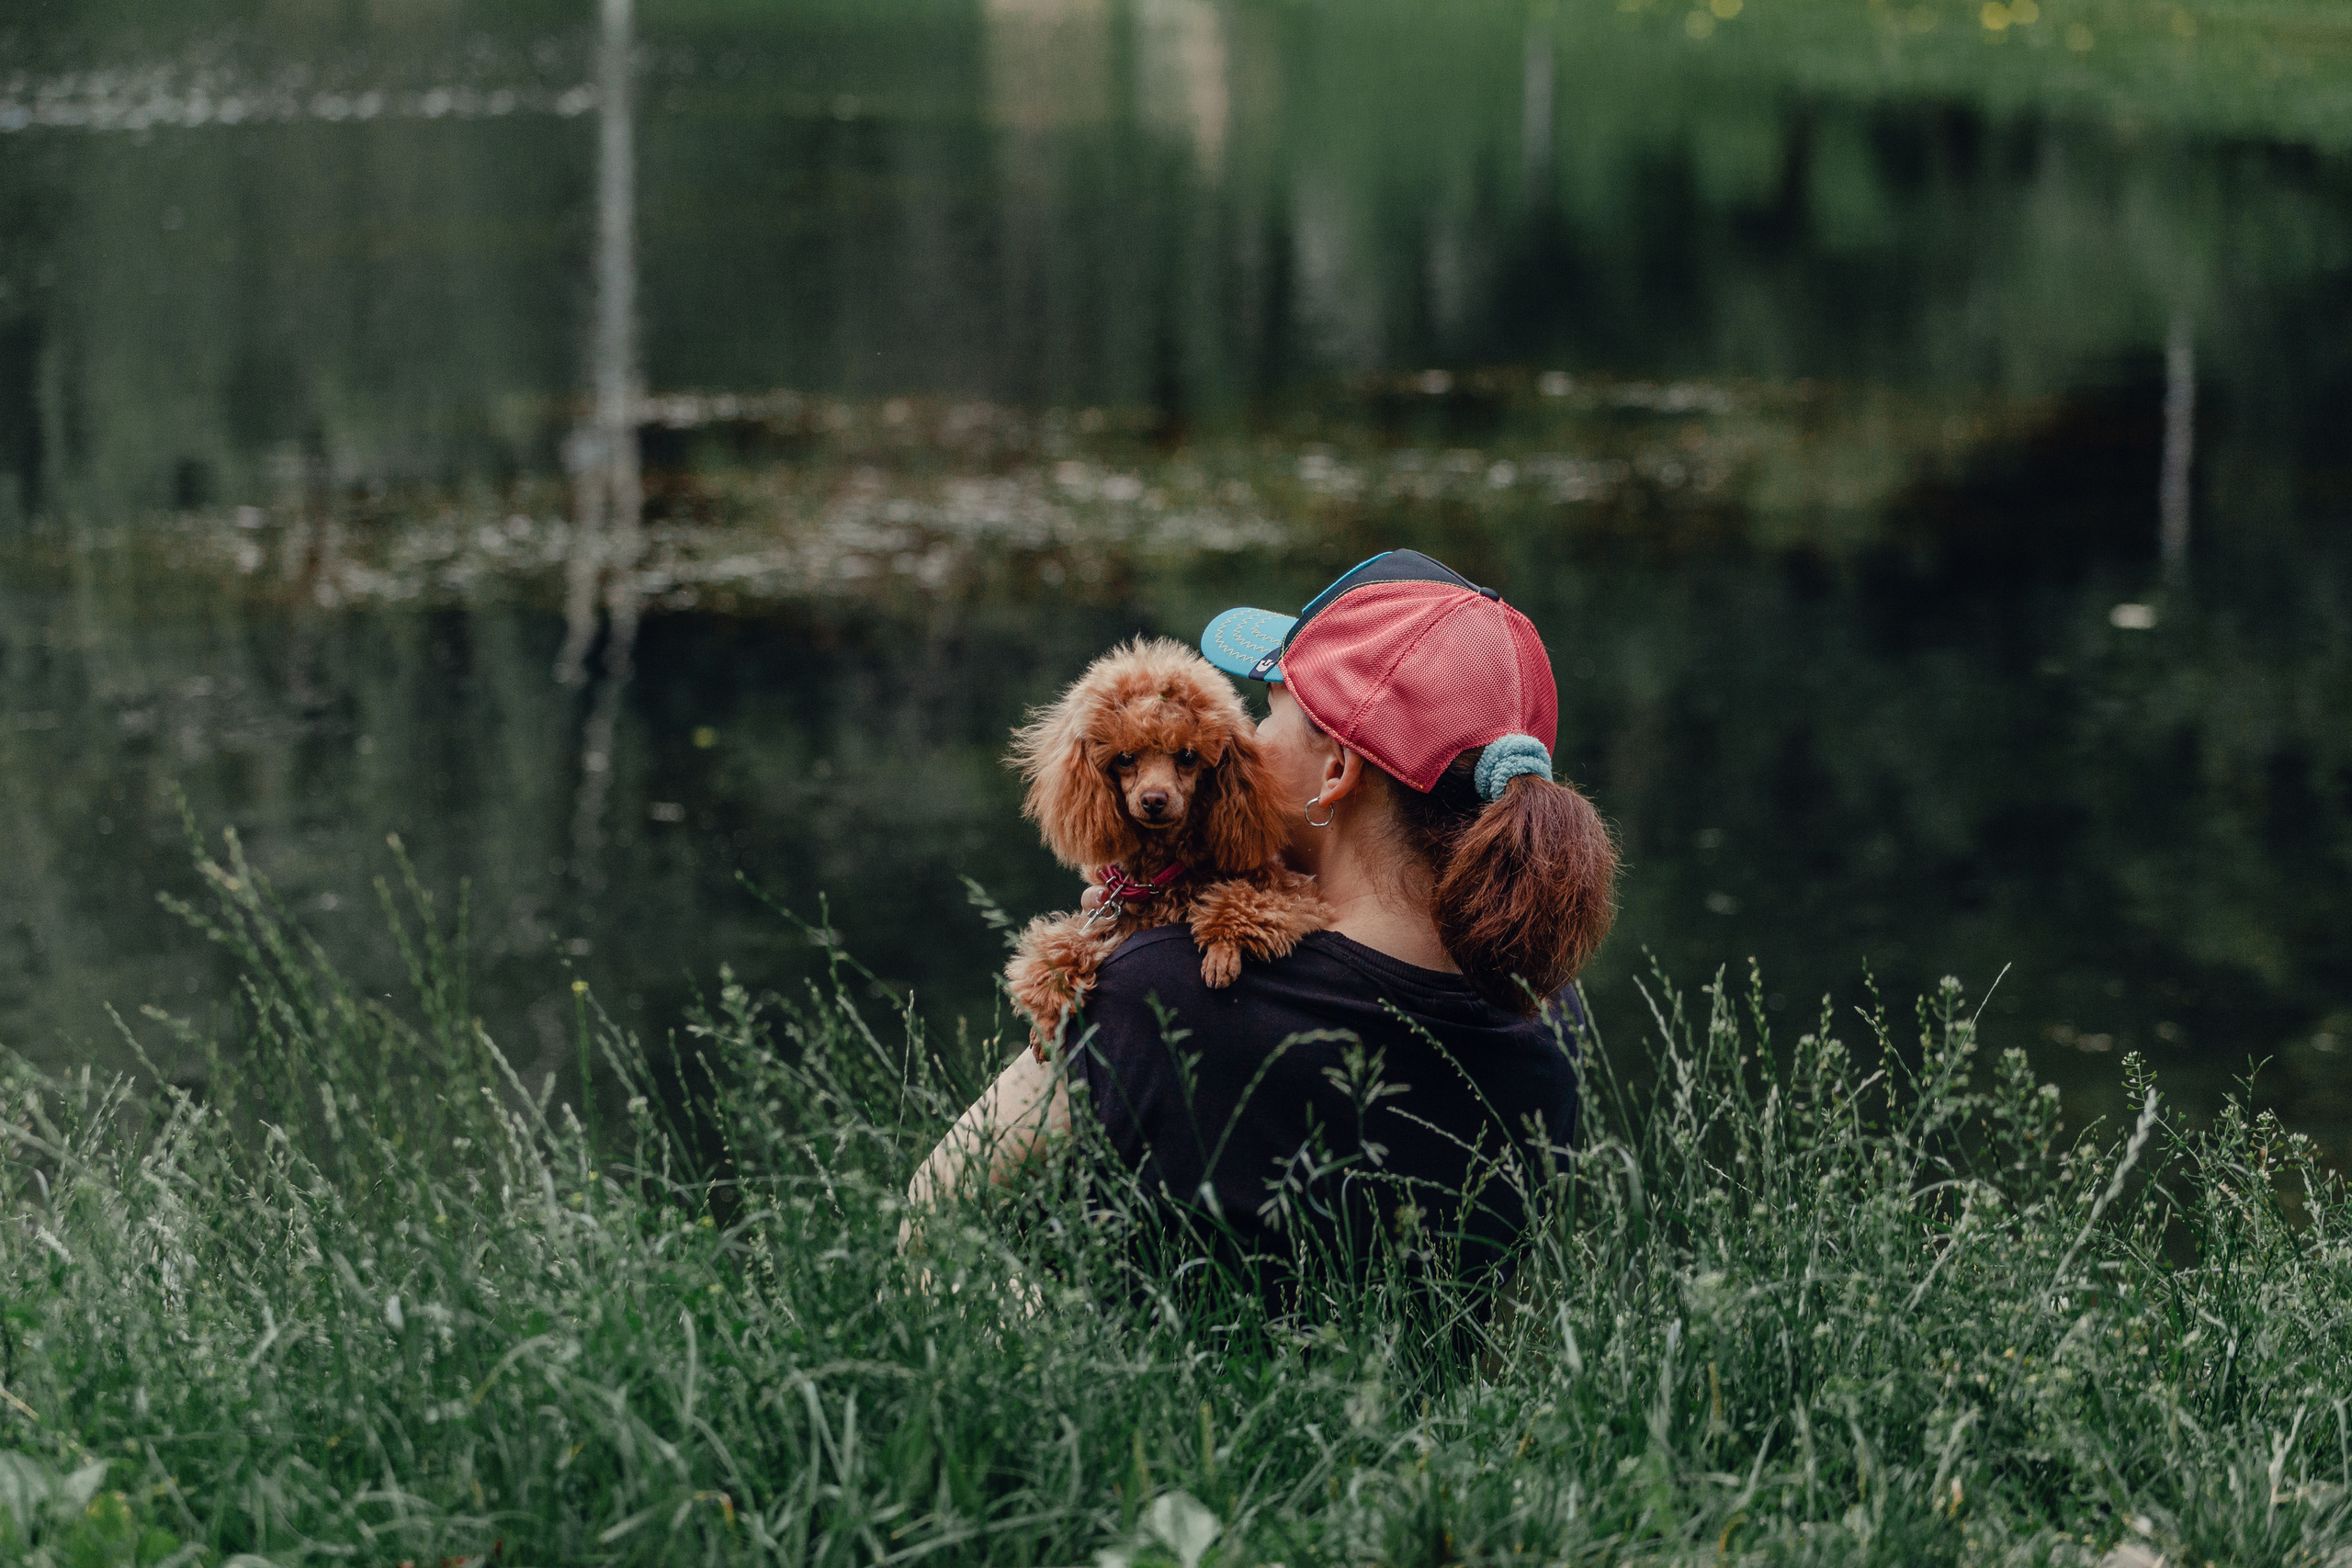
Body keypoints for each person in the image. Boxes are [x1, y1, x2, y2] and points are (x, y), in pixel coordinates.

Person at [906, 549, 1617, 1308]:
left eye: (1268, 715)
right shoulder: (1546, 1008)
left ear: (1338, 772)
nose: (1246, 742)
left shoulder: (1154, 991)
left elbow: (931, 1219)